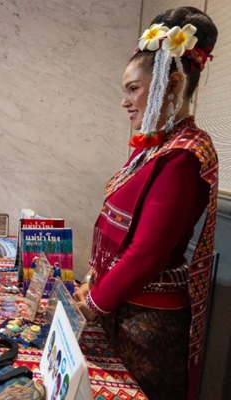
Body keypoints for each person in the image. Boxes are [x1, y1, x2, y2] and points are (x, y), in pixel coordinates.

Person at [74, 7, 218, 400]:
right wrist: (92, 279)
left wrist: (95, 301)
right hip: (122, 304)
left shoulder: (184, 154)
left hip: (148, 320)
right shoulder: (156, 147)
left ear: (172, 85)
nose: (125, 101)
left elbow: (147, 253)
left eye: (133, 88)